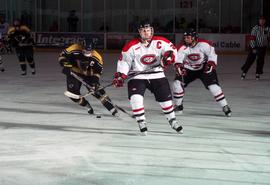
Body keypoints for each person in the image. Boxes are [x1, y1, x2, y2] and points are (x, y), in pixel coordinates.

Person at [112, 21, 183, 135]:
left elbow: (172, 51)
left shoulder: (161, 41)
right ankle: (141, 121)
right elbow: (125, 62)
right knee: (135, 98)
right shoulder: (131, 46)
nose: (146, 32)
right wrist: (121, 75)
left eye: (148, 30)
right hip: (137, 76)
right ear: (139, 32)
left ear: (152, 31)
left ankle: (172, 120)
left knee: (166, 100)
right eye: (143, 30)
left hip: (157, 74)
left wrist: (170, 57)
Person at [172, 29, 231, 117]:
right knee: (177, 84)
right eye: (185, 37)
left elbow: (212, 55)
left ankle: (225, 106)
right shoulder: (182, 46)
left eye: (188, 37)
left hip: (203, 68)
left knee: (213, 86)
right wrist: (179, 66)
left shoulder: (204, 44)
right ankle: (178, 105)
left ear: (194, 38)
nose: (185, 39)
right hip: (188, 69)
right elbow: (178, 59)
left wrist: (211, 64)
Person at [58, 43, 118, 116]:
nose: (87, 53)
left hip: (88, 74)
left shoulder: (97, 57)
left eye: (89, 52)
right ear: (82, 48)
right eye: (85, 51)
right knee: (73, 95)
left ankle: (111, 108)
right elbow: (62, 56)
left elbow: (97, 72)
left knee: (98, 91)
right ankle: (87, 106)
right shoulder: (74, 48)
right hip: (74, 72)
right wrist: (66, 66)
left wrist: (94, 82)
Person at [241, 16, 270, 80]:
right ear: (259, 21)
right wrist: (253, 48)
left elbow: (268, 38)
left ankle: (258, 73)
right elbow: (252, 38)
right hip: (255, 46)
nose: (262, 21)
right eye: (260, 20)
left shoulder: (267, 28)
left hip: (263, 47)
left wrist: (267, 45)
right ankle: (244, 72)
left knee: (261, 61)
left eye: (263, 20)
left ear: (265, 21)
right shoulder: (255, 28)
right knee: (250, 60)